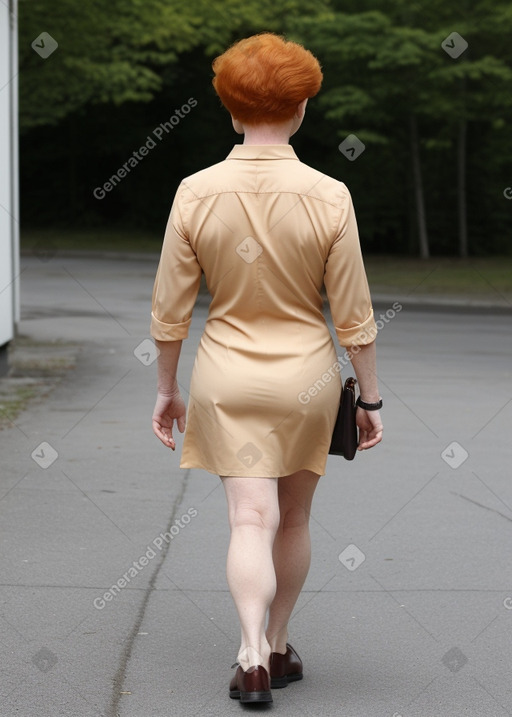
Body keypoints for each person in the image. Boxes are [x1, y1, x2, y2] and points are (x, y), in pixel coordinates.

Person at [150, 32, 383, 705]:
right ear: (303, 106)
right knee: (295, 518)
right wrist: (370, 401)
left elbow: (170, 310)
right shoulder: (330, 194)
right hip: (305, 378)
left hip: (226, 375)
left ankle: (248, 652)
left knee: (248, 518)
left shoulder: (196, 191)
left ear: (229, 109)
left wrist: (166, 388)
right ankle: (278, 644)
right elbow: (355, 314)